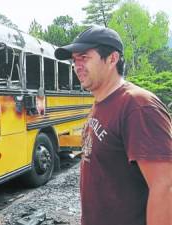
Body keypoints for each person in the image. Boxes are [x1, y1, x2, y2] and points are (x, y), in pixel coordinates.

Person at [54, 25, 172, 225]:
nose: (77, 65)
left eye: (84, 57)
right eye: (74, 60)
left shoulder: (138, 106)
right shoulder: (101, 103)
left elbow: (165, 187)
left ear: (112, 59)